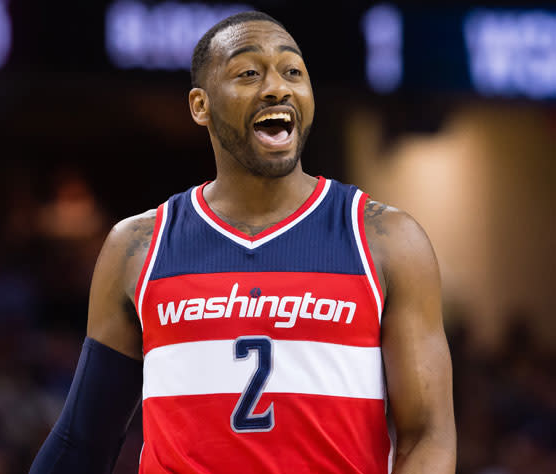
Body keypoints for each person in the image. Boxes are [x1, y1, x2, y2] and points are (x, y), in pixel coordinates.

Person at [30, 10, 456, 474]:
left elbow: (428, 437)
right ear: (200, 105)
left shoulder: (386, 239)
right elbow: (81, 443)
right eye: (249, 73)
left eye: (293, 72)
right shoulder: (137, 246)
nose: (277, 87)